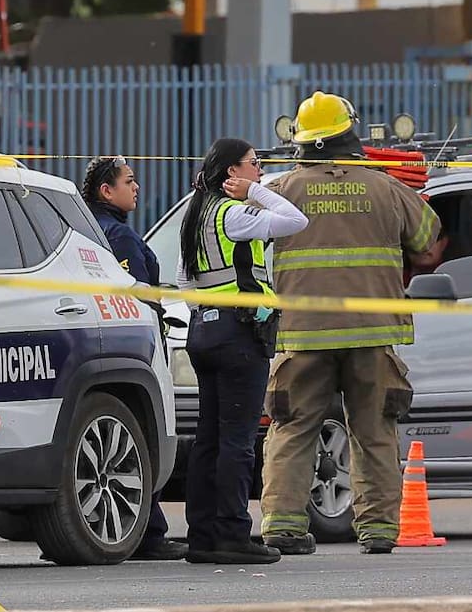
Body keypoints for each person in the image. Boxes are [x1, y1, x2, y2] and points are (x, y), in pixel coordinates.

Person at [260, 91, 441, 556]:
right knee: (374, 431)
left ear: (302, 140)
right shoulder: (385, 188)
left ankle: (282, 526)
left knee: (292, 429)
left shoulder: (280, 191)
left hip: (303, 332)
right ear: (350, 133)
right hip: (372, 331)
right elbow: (428, 242)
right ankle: (379, 530)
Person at [177, 138, 308, 564]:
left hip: (204, 331)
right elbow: (294, 220)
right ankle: (233, 534)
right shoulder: (233, 213)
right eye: (254, 165)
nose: (259, 170)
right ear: (232, 171)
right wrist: (253, 192)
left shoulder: (197, 214)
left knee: (209, 440)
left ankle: (202, 536)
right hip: (238, 336)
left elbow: (185, 282)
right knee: (237, 440)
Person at [82, 154, 187, 561]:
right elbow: (138, 298)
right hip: (134, 344)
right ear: (107, 191)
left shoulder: (89, 231)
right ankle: (149, 533)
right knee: (144, 434)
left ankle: (140, 527)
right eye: (129, 181)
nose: (136, 187)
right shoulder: (120, 237)